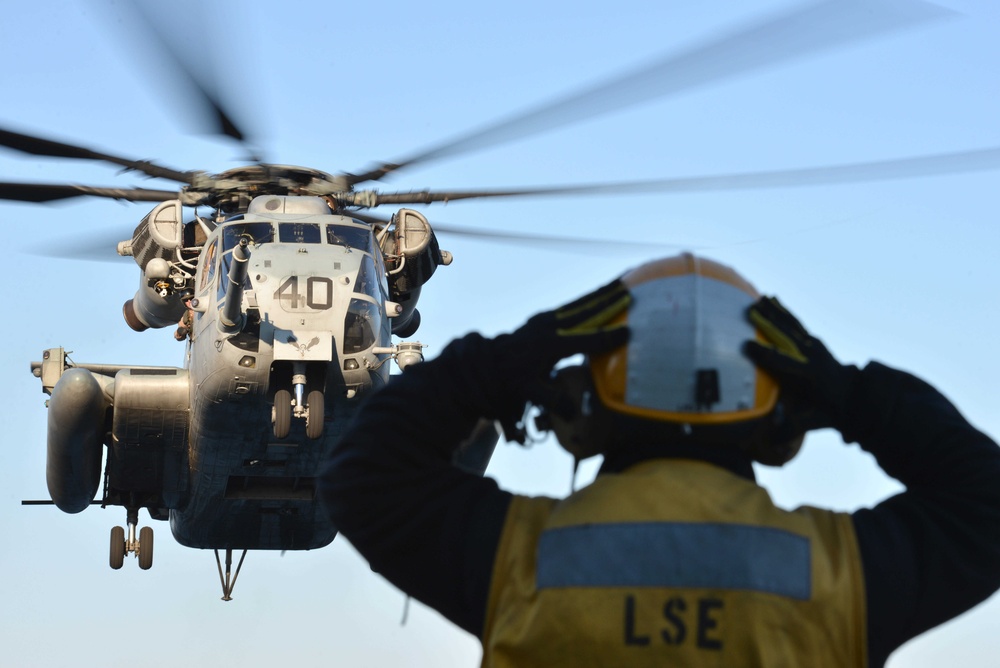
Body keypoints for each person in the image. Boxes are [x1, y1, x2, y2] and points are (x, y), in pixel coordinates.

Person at [318, 253, 1000, 667]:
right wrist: (852, 394)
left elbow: (365, 472)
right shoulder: (842, 575)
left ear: (583, 402)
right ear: (781, 416)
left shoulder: (517, 558)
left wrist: (498, 363)